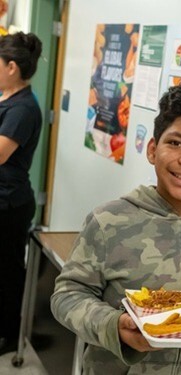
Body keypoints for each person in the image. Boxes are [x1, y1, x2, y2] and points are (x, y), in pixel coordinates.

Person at [51, 82, 181, 374]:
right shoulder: (109, 221)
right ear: (152, 149)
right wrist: (114, 326)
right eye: (175, 143)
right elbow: (67, 295)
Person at [0, 32, 43, 356]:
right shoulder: (7, 98)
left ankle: (9, 335)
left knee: (7, 271)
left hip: (9, 204)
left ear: (12, 67)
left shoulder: (24, 108)